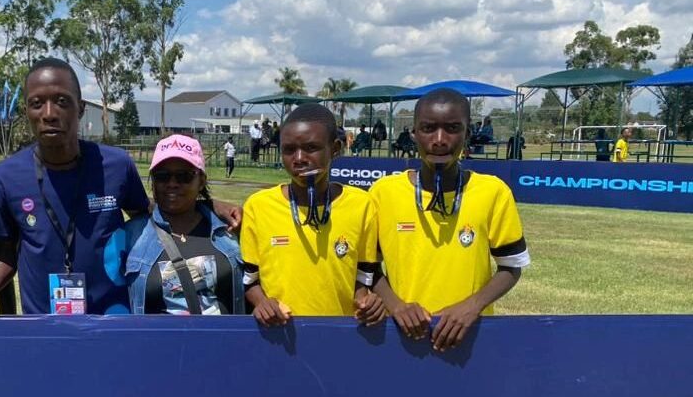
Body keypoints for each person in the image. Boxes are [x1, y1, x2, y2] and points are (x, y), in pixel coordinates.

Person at [0, 57, 240, 322]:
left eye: (62, 101)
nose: (49, 113)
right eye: (37, 103)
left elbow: (149, 213)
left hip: (112, 321)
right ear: (26, 111)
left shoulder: (116, 164)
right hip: (44, 325)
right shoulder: (6, 176)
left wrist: (207, 205)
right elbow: (6, 253)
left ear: (81, 108)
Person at [369, 88, 530, 352]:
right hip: (403, 336)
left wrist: (472, 306)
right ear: (414, 133)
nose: (440, 139)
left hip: (470, 335)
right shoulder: (383, 193)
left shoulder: (493, 192)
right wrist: (396, 306)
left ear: (467, 134)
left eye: (453, 128)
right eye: (428, 128)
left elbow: (511, 266)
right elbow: (368, 267)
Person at [240, 103, 383, 327]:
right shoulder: (258, 206)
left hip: (340, 334)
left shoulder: (361, 205)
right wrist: (263, 303)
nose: (299, 158)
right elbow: (250, 281)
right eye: (289, 149)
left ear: (335, 148)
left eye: (311, 148)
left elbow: (364, 277)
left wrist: (367, 302)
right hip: (281, 334)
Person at [121, 135, 244, 315]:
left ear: (201, 181)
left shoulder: (230, 228)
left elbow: (253, 282)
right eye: (162, 176)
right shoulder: (131, 235)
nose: (172, 184)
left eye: (184, 176)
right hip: (153, 335)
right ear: (152, 181)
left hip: (224, 334)